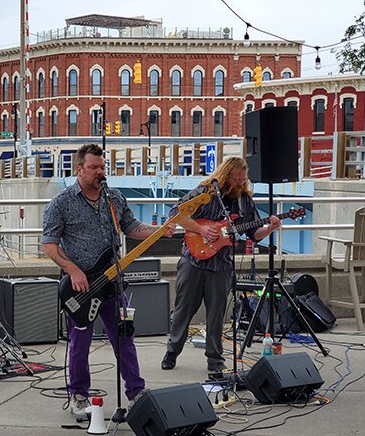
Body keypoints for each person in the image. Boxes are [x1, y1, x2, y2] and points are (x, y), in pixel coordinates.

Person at [41, 143, 175, 419]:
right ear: (79, 169)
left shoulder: (113, 198)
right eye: (94, 168)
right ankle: (78, 395)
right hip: (82, 285)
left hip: (113, 282)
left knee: (125, 338)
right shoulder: (62, 203)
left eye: (102, 167)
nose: (100, 172)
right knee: (80, 343)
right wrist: (73, 271)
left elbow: (132, 228)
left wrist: (158, 231)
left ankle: (136, 392)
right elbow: (50, 245)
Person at [161, 157, 280, 375]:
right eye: (236, 179)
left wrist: (271, 228)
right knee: (183, 310)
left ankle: (215, 360)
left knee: (216, 315)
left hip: (221, 264)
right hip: (193, 260)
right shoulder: (205, 192)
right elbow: (176, 214)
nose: (240, 183)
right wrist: (202, 229)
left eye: (243, 179)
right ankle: (172, 351)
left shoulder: (244, 201)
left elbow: (254, 234)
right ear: (226, 176)